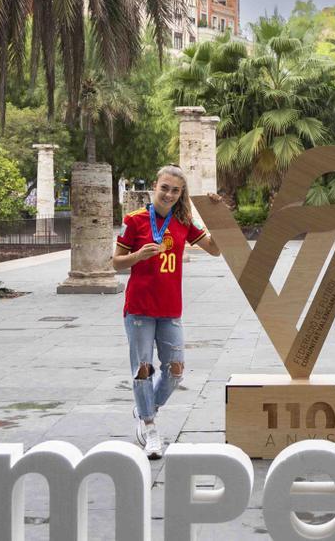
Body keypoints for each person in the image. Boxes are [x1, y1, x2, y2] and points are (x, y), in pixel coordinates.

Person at [113, 165, 220, 459]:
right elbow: (116, 262)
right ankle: (149, 428)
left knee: (175, 370)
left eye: (175, 190)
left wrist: (217, 215)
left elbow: (215, 249)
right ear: (155, 186)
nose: (169, 194)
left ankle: (145, 407)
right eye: (165, 188)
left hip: (170, 308)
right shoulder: (134, 220)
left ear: (180, 193)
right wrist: (138, 255)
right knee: (142, 369)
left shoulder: (183, 221)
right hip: (139, 309)